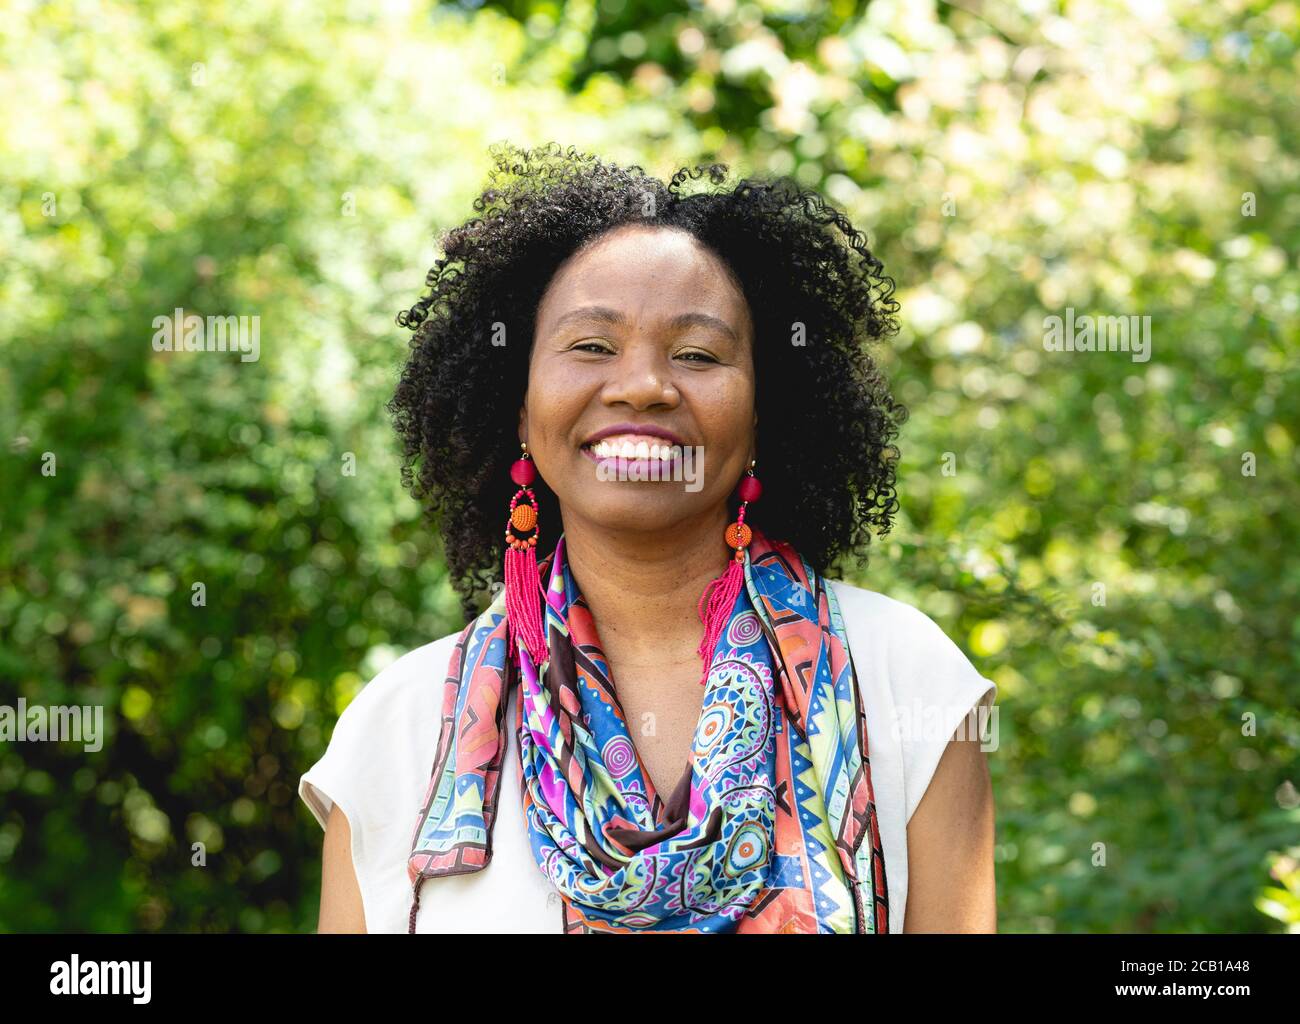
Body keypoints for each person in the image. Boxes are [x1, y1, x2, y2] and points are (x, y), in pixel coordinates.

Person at [299, 142, 997, 933]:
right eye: (591, 346)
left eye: (697, 354)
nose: (641, 386)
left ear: (765, 414)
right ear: (518, 408)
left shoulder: (907, 681)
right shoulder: (397, 728)